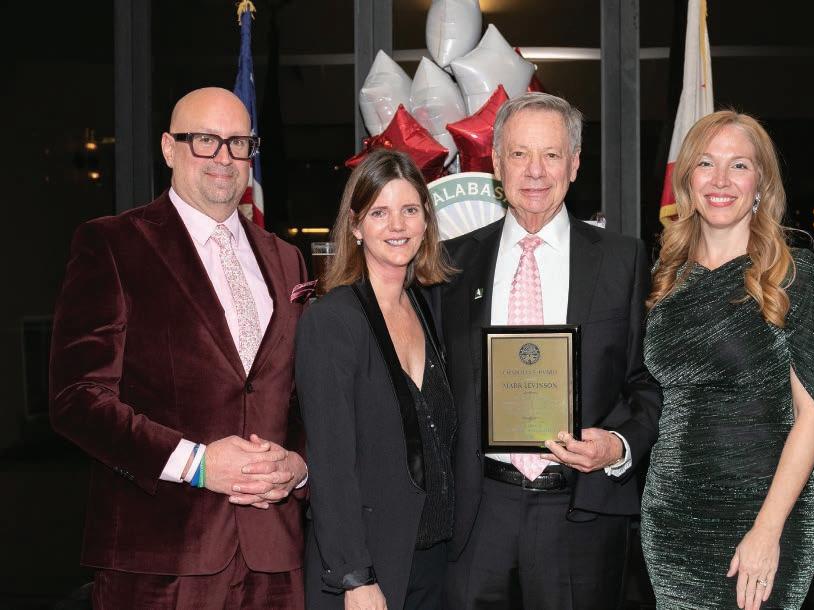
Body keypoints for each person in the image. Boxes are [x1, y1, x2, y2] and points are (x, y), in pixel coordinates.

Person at [49, 87, 309, 609]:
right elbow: (77, 398)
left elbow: (301, 395)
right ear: (169, 148)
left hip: (274, 561)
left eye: (239, 143)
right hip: (160, 559)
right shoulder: (113, 245)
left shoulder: (287, 259)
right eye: (205, 140)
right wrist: (197, 464)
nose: (224, 158)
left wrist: (298, 466)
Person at [434, 92, 661, 610]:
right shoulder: (452, 265)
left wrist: (618, 446)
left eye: (551, 154)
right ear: (497, 164)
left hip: (580, 514)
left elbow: (648, 382)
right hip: (478, 514)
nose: (535, 171)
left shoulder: (622, 260)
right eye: (519, 154)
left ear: (574, 164)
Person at [640, 110, 814, 610]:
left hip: (763, 516)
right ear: (688, 180)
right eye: (706, 163)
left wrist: (766, 531)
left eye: (739, 165)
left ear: (760, 184)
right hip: (671, 519)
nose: (721, 180)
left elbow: (813, 419)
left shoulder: (794, 276)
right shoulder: (668, 276)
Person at [295, 148, 457, 610]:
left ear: (426, 220)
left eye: (409, 210)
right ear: (355, 225)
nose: (397, 225)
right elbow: (331, 464)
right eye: (379, 213)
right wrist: (355, 577)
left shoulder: (428, 308)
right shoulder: (331, 321)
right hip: (369, 570)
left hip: (434, 563)